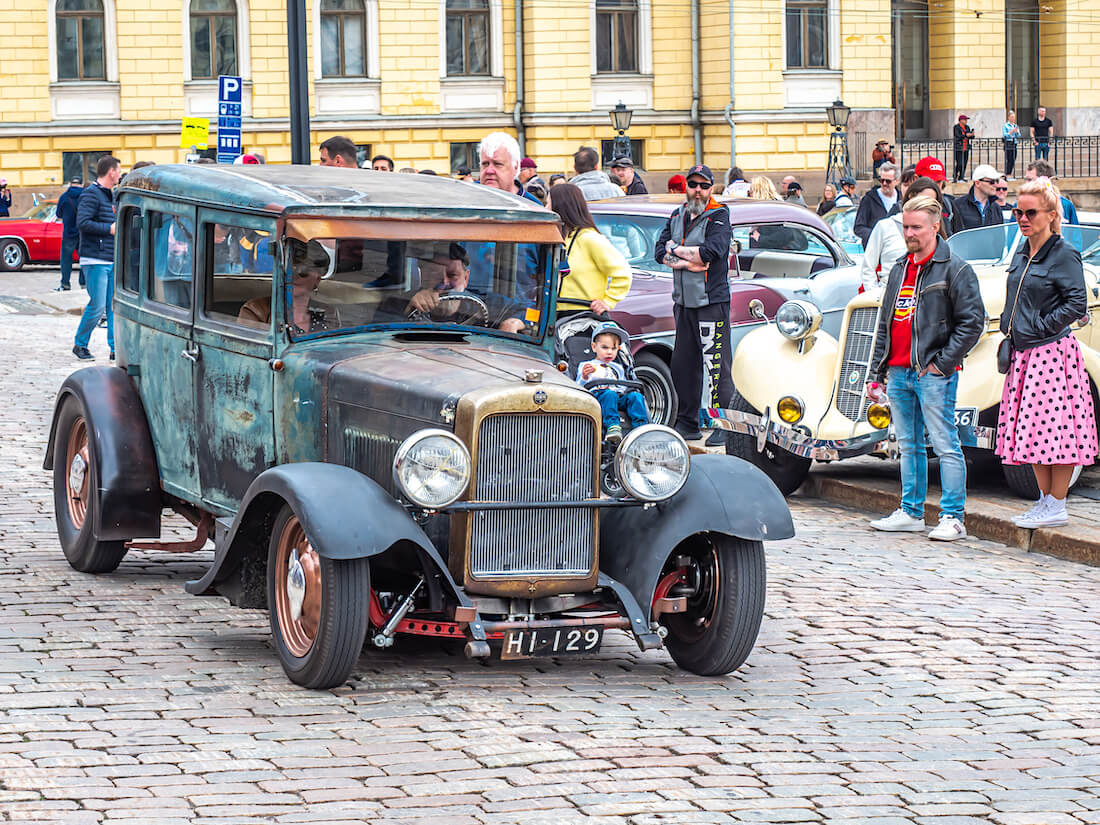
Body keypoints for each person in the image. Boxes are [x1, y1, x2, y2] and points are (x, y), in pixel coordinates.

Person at [867, 195, 984, 541]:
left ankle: (952, 516)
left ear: (936, 226)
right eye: (906, 227)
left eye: (916, 227)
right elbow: (885, 322)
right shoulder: (900, 268)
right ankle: (911, 511)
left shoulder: (956, 268)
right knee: (908, 443)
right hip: (900, 371)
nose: (909, 233)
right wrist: (879, 371)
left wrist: (941, 364)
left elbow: (972, 323)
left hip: (932, 372)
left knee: (945, 442)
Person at [997, 177, 1097, 528]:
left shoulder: (1063, 252)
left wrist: (1041, 326)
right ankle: (1045, 502)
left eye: (1030, 212)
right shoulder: (1022, 250)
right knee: (1033, 430)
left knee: (1058, 430)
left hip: (1051, 353)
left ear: (1051, 215)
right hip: (1025, 352)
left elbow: (1077, 303)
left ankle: (1057, 503)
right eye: (1017, 211)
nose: (1022, 218)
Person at [654, 164, 734, 446]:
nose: (697, 190)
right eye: (693, 184)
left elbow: (714, 251)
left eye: (703, 185)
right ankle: (688, 421)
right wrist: (690, 260)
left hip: (711, 301)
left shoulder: (719, 215)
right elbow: (658, 251)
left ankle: (725, 422)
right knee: (683, 365)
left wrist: (676, 251)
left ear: (711, 188)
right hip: (684, 303)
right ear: (686, 187)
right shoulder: (677, 214)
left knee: (716, 366)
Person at [547, 183, 631, 316]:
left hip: (581, 314)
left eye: (549, 203)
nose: (546, 208)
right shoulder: (560, 239)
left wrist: (608, 301)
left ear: (560, 207)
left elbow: (623, 273)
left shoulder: (589, 238)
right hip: (554, 313)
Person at [72, 155, 121, 361]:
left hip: (110, 257)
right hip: (95, 259)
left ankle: (114, 349)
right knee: (98, 305)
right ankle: (80, 344)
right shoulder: (91, 194)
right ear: (111, 172)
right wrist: (109, 229)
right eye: (118, 170)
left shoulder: (110, 195)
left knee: (111, 307)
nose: (120, 174)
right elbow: (82, 223)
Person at [860, 176, 945, 291]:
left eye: (932, 203)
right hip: (888, 293)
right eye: (923, 200)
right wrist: (876, 295)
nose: (926, 206)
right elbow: (868, 267)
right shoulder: (885, 226)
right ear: (911, 196)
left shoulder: (935, 230)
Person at [239, 239, 337, 334]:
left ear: (317, 279)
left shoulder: (327, 313)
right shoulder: (255, 311)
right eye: (287, 271)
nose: (293, 277)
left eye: (302, 272)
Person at [576, 321, 649, 444]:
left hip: (617, 396)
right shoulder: (586, 365)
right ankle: (613, 426)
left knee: (635, 396)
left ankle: (641, 427)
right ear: (594, 347)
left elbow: (623, 386)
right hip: (597, 398)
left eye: (613, 348)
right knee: (609, 394)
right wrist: (584, 376)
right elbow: (578, 386)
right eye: (605, 347)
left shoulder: (618, 367)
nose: (609, 352)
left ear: (618, 349)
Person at [853, 161, 900, 247]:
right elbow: (858, 227)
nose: (884, 184)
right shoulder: (869, 199)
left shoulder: (902, 199)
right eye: (881, 180)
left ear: (896, 181)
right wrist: (877, 235)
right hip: (876, 249)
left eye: (888, 181)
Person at [951, 164, 1005, 233]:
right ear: (977, 183)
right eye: (991, 182)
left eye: (997, 181)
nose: (995, 185)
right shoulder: (958, 205)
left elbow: (1000, 238)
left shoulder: (996, 208)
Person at [1024, 160, 1079, 225]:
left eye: (1030, 180)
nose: (1026, 184)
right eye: (1026, 179)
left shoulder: (1065, 205)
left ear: (1045, 181)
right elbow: (1012, 233)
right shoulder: (1020, 204)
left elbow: (1074, 233)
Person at [55, 177, 83, 291]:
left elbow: (58, 214)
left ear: (70, 184)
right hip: (83, 233)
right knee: (84, 260)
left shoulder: (64, 197)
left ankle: (65, 283)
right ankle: (84, 283)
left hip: (68, 233)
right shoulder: (85, 196)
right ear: (81, 185)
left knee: (66, 260)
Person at [915, 155, 954, 232]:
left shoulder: (949, 206)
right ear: (916, 179)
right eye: (931, 181)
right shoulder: (902, 208)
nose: (935, 187)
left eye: (938, 182)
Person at [953, 114, 975, 182]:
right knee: (959, 163)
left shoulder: (967, 127)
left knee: (964, 163)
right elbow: (957, 135)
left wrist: (972, 135)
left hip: (966, 147)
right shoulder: (956, 127)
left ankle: (961, 177)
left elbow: (970, 136)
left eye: (966, 120)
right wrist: (966, 135)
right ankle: (955, 175)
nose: (966, 121)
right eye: (965, 120)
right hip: (959, 147)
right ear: (960, 120)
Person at [1002, 110, 1021, 178]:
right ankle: (1007, 173)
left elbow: (1019, 135)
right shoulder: (1005, 126)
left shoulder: (1015, 125)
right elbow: (1005, 135)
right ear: (1009, 117)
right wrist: (1011, 131)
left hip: (1014, 143)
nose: (1013, 118)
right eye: (1012, 117)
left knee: (1013, 158)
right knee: (1009, 159)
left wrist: (1016, 132)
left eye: (1014, 117)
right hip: (1008, 143)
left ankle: (1009, 172)